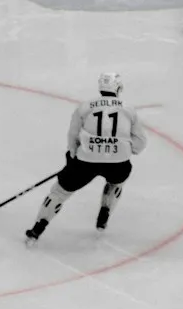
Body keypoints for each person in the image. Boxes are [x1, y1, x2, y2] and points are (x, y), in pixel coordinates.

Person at [26, 73, 147, 244]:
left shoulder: (85, 106)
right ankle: (104, 214)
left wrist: (73, 155)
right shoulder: (129, 109)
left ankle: (37, 229)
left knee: (60, 192)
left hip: (86, 162)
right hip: (118, 163)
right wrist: (124, 150)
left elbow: (73, 136)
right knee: (116, 182)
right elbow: (141, 142)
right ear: (118, 88)